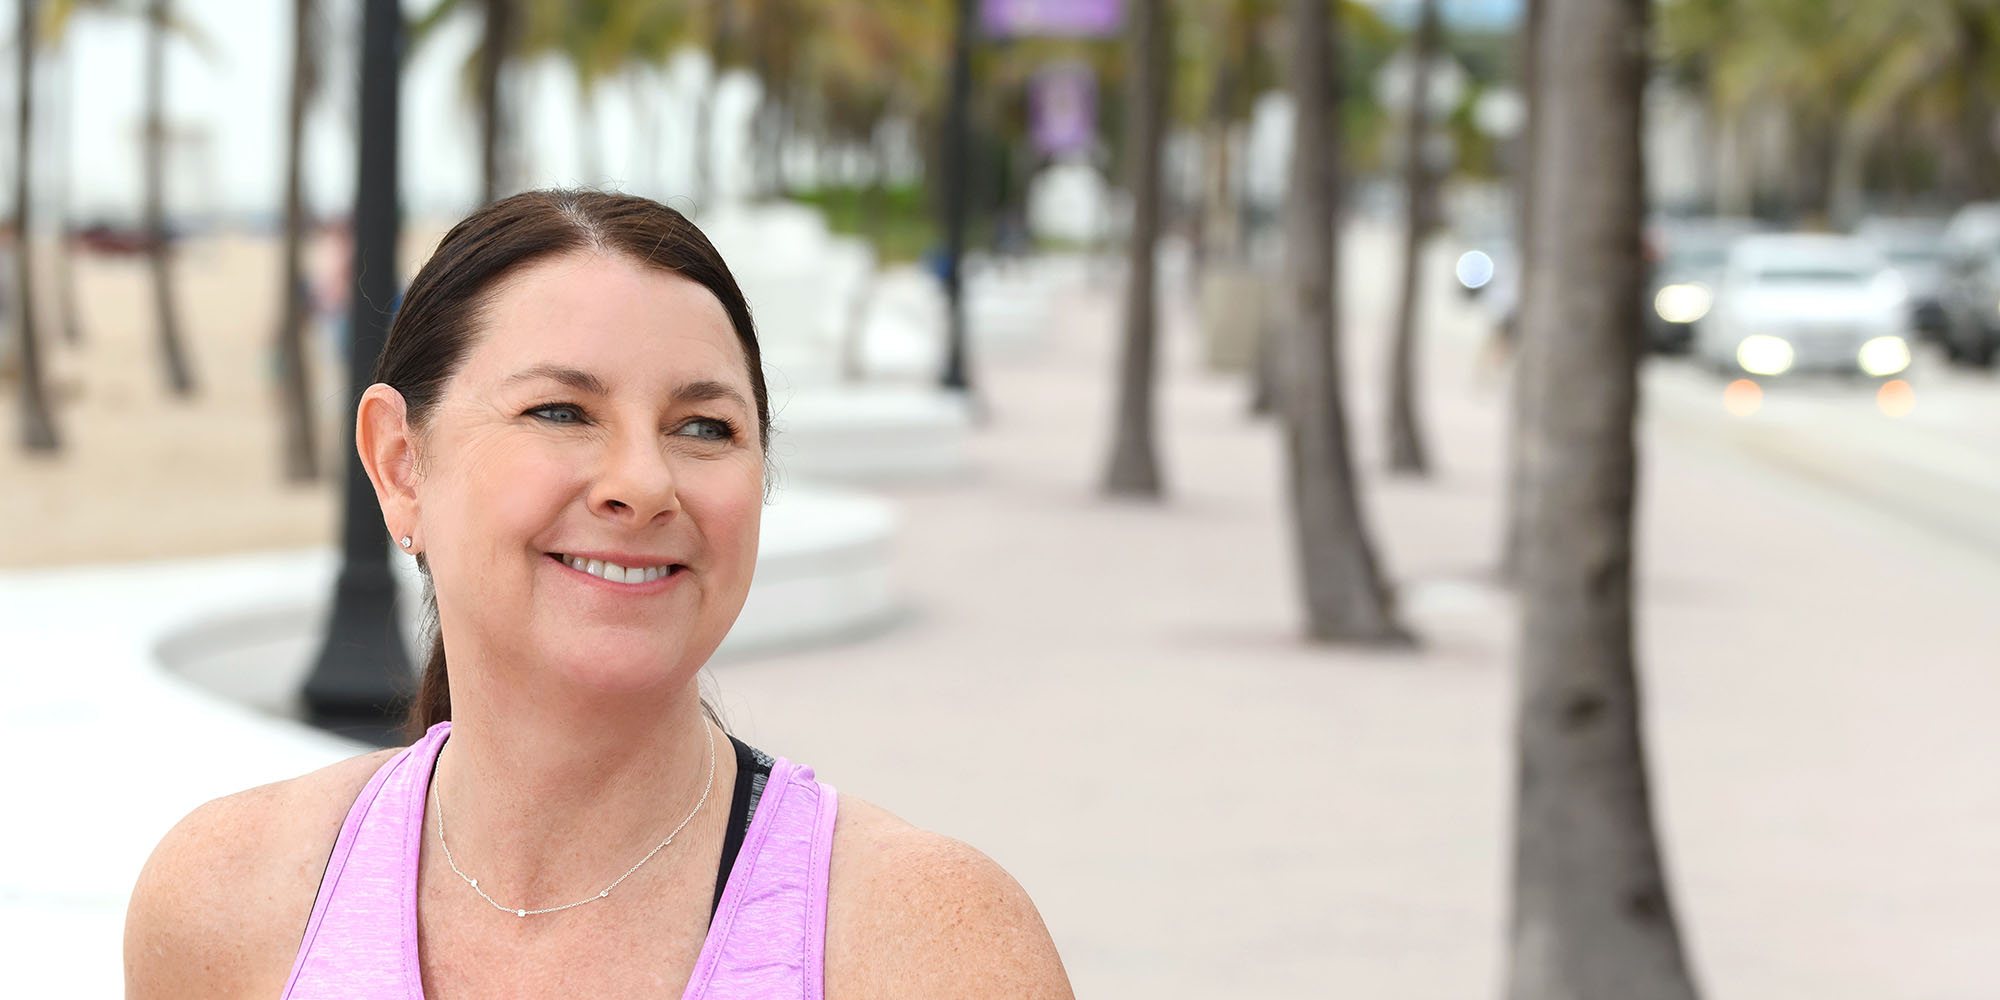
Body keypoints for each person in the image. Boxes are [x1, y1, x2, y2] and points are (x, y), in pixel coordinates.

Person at [122, 190, 1074, 999]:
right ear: (400, 465)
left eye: (703, 426)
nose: (644, 482)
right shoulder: (226, 903)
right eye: (562, 411)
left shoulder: (927, 944)